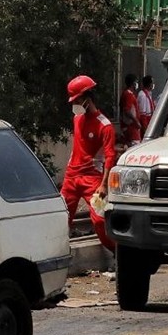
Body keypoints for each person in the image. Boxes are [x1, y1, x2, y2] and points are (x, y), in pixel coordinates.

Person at [61, 74, 117, 251]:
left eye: (77, 100)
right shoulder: (77, 119)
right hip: (71, 178)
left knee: (100, 219)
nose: (74, 105)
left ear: (87, 98)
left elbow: (110, 157)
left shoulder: (105, 126)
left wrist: (104, 185)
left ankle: (118, 255)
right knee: (62, 218)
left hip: (92, 180)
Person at [120, 74, 142, 145]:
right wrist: (136, 121)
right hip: (131, 126)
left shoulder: (128, 93)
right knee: (135, 144)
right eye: (136, 82)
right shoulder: (128, 94)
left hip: (130, 125)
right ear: (133, 83)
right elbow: (127, 110)